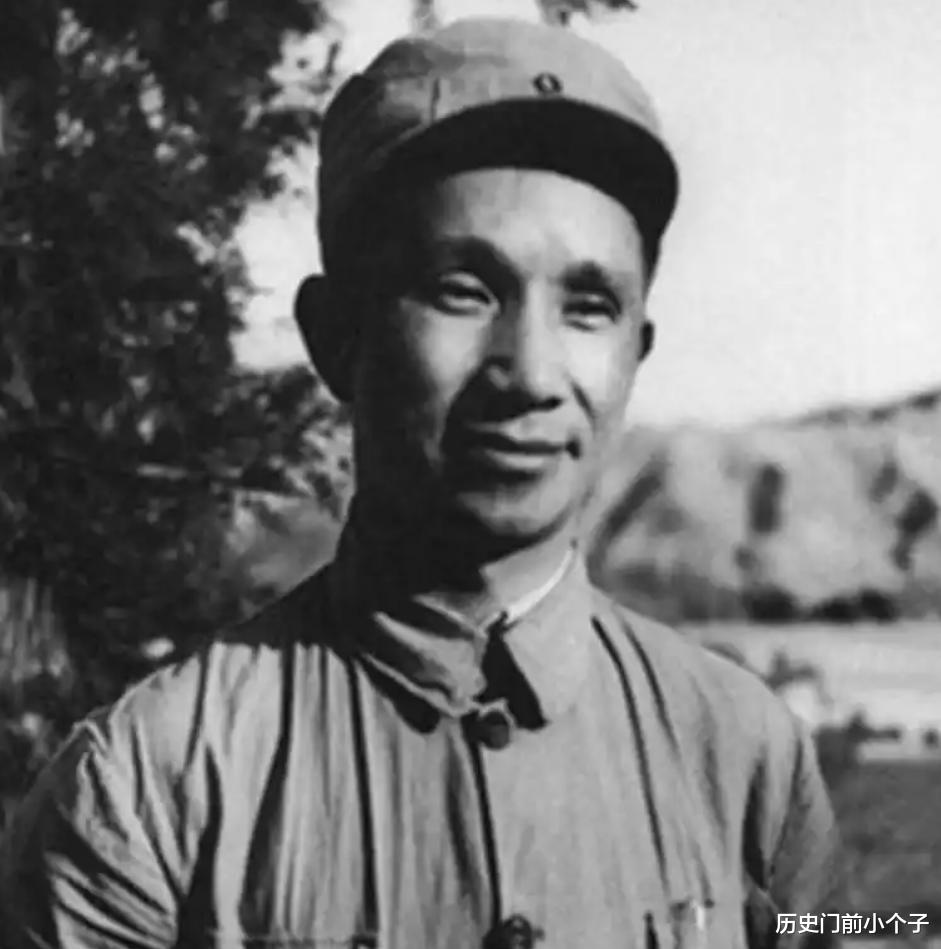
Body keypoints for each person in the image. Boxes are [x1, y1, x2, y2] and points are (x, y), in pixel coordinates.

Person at [0, 17, 841, 949]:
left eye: (588, 306)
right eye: (462, 289)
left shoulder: (749, 761)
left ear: (633, 354)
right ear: (336, 335)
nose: (530, 373)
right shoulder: (145, 791)